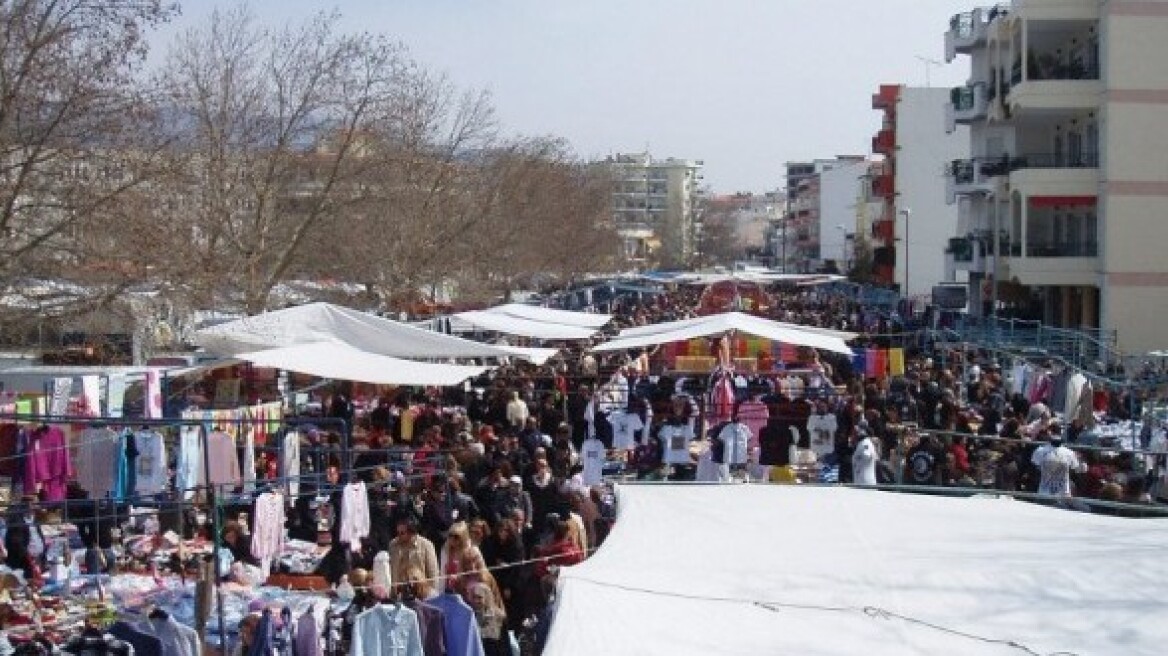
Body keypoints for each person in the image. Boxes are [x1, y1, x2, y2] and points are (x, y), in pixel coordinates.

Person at [1031, 432, 1087, 497]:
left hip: (1048, 491)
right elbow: (1077, 468)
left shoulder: (1040, 450)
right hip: (1059, 491)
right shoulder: (1069, 453)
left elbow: (1035, 464)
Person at [388, 517, 439, 584]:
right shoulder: (393, 545)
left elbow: (433, 572)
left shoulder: (426, 545)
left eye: (402, 533)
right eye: (397, 533)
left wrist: (433, 592)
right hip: (398, 589)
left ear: (411, 533)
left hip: (421, 589)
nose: (399, 536)